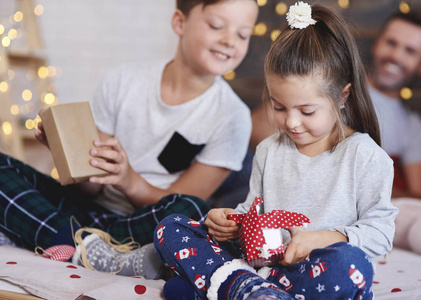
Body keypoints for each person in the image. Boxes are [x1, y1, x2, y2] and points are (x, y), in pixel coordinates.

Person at [153, 2, 398, 299]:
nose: (291, 122)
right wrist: (231, 221)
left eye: (307, 111)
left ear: (342, 96)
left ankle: (228, 286)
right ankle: (249, 287)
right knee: (171, 227)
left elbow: (381, 233)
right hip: (261, 267)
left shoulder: (365, 156)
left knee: (350, 265)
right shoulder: (270, 150)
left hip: (315, 274)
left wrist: (325, 238)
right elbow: (254, 211)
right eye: (279, 107)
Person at [0, 0, 259, 276]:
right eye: (217, 26)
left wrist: (128, 180)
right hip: (86, 210)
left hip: (143, 223)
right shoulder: (124, 81)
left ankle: (51, 234)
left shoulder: (233, 117)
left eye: (243, 34)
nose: (230, 40)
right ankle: (83, 245)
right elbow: (92, 187)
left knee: (194, 209)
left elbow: (183, 207)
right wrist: (64, 153)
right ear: (179, 22)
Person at [368, 10, 421, 201]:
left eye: (410, 51)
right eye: (391, 43)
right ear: (377, 43)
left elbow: (417, 201)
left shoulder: (414, 129)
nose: (396, 56)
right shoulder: (332, 92)